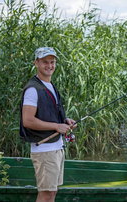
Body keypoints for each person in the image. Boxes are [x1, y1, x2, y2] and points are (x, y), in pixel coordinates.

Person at [19, 47, 76, 202]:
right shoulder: (33, 89)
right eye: (45, 62)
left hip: (56, 147)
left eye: (52, 62)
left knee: (52, 193)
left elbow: (48, 114)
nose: (49, 66)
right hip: (44, 150)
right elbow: (28, 120)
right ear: (36, 63)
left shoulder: (49, 85)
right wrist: (56, 127)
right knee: (46, 194)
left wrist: (64, 122)